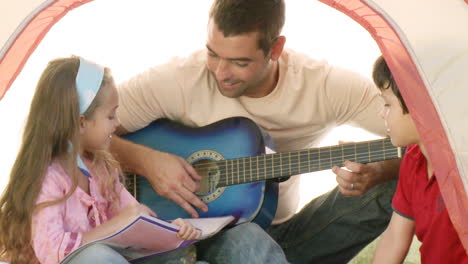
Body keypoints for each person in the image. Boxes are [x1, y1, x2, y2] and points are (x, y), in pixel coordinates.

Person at [112, 0, 401, 263]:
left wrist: (382, 171)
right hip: (187, 237)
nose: (220, 72)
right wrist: (147, 162)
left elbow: (425, 131)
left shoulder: (326, 86)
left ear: (275, 49)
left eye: (240, 63)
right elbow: (77, 129)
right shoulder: (177, 79)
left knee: (405, 180)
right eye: (213, 54)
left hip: (287, 233)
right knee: (247, 240)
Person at [0, 56, 207, 264]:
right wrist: (116, 225)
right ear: (81, 123)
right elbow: (53, 253)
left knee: (183, 256)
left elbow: (134, 220)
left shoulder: (100, 167)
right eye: (110, 116)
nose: (117, 123)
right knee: (96, 257)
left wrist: (172, 229)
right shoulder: (47, 180)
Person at [371, 56, 467, 263]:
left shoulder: (462, 170)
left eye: (388, 104)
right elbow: (395, 237)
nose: (382, 114)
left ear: (420, 108)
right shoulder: (413, 160)